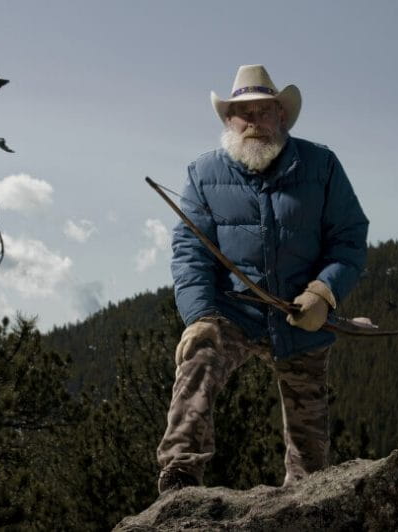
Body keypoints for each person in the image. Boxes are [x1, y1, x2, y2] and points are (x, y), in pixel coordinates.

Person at [156, 64, 370, 494]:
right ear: (227, 120)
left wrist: (323, 293)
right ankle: (179, 476)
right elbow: (190, 253)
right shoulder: (203, 173)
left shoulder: (322, 165)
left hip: (301, 314)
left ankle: (303, 500)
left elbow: (349, 239)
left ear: (282, 117)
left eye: (263, 111)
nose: (253, 122)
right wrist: (198, 316)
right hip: (235, 311)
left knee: (310, 451)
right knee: (200, 352)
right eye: (243, 113)